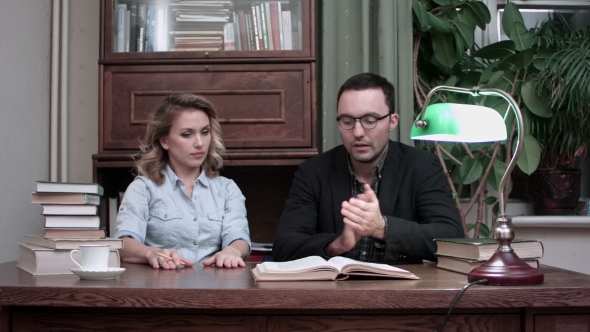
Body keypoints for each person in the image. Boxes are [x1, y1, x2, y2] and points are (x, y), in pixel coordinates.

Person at [273, 73, 463, 263]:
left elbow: (452, 238)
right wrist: (337, 245)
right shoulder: (313, 172)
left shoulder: (421, 166)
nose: (357, 132)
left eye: (370, 120)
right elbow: (284, 246)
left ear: (393, 121)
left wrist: (382, 228)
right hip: (333, 290)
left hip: (399, 290)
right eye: (347, 121)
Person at [114, 92, 251, 269]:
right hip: (159, 289)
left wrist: (232, 251)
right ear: (164, 141)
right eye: (187, 134)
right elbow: (124, 243)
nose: (200, 143)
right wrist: (151, 253)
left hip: (215, 288)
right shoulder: (143, 188)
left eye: (205, 132)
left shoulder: (227, 189)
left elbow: (239, 238)